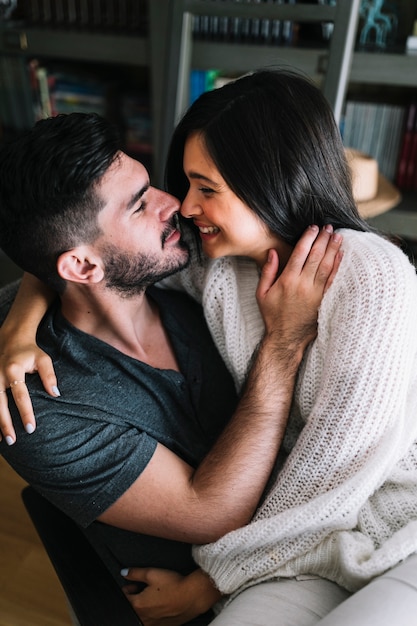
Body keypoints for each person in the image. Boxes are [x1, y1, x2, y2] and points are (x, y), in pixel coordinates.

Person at [0, 110, 342, 625]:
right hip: (226, 591)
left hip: (313, 523)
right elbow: (213, 513)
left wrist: (16, 328)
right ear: (84, 267)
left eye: (150, 186)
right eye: (140, 206)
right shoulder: (38, 405)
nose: (175, 204)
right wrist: (284, 343)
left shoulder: (187, 264)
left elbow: (48, 262)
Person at [120, 68, 417, 624]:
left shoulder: (372, 276)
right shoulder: (218, 270)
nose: (186, 207)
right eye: (188, 185)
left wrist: (208, 583)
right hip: (301, 543)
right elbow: (91, 258)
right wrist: (20, 325)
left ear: (271, 180)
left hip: (401, 524)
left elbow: (339, 462)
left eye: (207, 189)